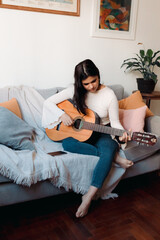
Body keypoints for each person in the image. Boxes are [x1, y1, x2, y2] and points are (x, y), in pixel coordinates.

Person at [42, 59, 133, 218]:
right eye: (86, 84)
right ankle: (113, 157)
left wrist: (123, 136)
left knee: (108, 147)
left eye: (94, 80)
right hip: (81, 133)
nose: (91, 86)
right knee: (68, 143)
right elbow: (48, 103)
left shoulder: (109, 94)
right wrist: (61, 114)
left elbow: (116, 122)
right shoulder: (74, 91)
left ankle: (88, 196)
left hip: (102, 131)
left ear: (98, 76)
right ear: (79, 83)